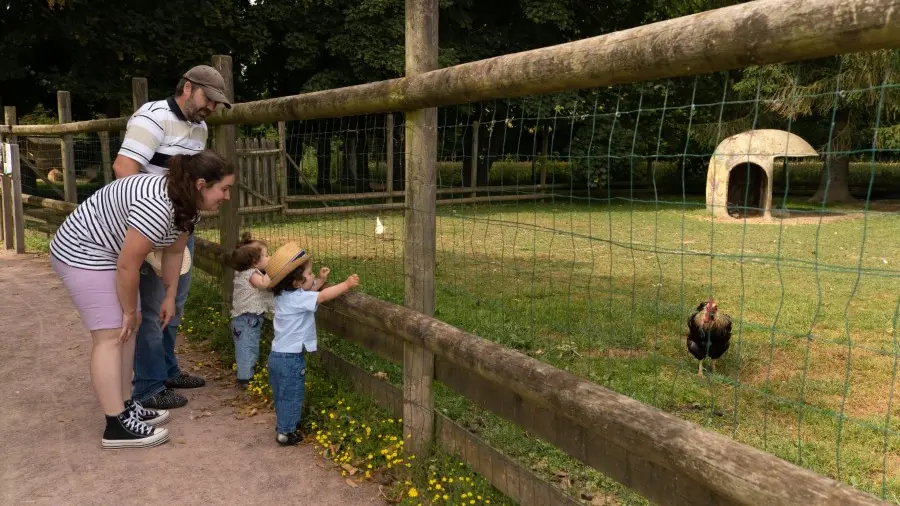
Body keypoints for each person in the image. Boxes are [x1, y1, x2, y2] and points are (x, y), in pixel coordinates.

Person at [49, 150, 235, 449]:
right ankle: (116, 426)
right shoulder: (158, 207)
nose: (226, 196)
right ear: (201, 184)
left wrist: (170, 296)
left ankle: (126, 406)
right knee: (111, 334)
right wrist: (126, 310)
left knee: (129, 330)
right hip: (83, 251)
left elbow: (175, 252)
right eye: (224, 189)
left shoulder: (187, 203)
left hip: (108, 254)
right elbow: (127, 265)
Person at [113, 64, 232, 410]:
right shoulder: (152, 117)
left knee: (173, 300)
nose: (211, 106)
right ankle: (148, 386)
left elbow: (193, 181)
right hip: (149, 225)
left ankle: (166, 369)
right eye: (208, 98)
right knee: (150, 307)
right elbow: (124, 168)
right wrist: (144, 218)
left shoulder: (200, 130)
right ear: (188, 87)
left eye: (215, 102)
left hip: (179, 224)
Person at [265, 242, 358, 446]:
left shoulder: (285, 296)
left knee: (281, 394)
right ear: (297, 282)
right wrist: (346, 284)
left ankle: (283, 423)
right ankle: (287, 433)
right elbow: (321, 296)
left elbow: (310, 292)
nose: (313, 275)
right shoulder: (297, 299)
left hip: (276, 356)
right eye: (309, 273)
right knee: (293, 394)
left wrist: (321, 280)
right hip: (290, 359)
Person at [229, 232, 275, 388]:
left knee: (246, 346)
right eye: (266, 256)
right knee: (248, 347)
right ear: (255, 262)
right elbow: (263, 284)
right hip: (247, 319)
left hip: (245, 319)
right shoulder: (251, 274)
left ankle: (245, 373)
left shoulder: (243, 272)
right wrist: (271, 271)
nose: (268, 259)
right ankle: (245, 378)